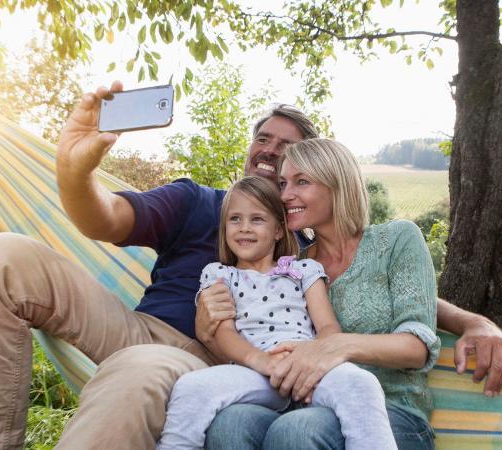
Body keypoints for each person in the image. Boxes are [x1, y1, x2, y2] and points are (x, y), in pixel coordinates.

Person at [0, 81, 502, 449]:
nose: (269, 149)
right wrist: (73, 172)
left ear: (307, 176)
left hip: (205, 359)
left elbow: (384, 284)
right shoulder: (199, 201)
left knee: (140, 370)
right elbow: (104, 222)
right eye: (262, 138)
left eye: (287, 150)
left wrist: (476, 322)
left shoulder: (300, 241)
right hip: (141, 328)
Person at [199, 138, 440, 449]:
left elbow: (417, 346)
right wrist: (207, 326)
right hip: (306, 403)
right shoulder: (293, 269)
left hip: (391, 411)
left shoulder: (396, 240)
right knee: (230, 424)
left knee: (297, 431)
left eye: (302, 182)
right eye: (283, 183)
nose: (285, 195)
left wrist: (337, 346)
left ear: (336, 183)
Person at [158, 176, 400, 450]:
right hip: (255, 372)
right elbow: (223, 333)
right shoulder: (219, 275)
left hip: (307, 366)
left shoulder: (303, 271)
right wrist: (261, 361)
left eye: (257, 219)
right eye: (234, 219)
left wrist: (310, 361)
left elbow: (328, 328)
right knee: (191, 388)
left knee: (361, 384)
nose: (244, 228)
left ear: (278, 230)